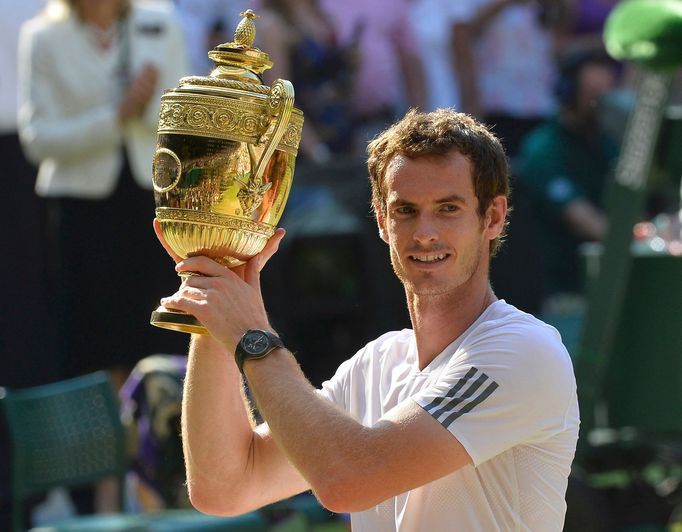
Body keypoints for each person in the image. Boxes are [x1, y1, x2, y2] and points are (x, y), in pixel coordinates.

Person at [155, 108, 579, 530]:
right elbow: (225, 487)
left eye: (448, 208)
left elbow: (350, 481)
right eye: (406, 210)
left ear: (493, 217)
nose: (425, 232)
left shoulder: (523, 350)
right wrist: (216, 294)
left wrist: (253, 338)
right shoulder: (375, 363)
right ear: (381, 220)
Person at [17, 0, 190, 386]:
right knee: (93, 335)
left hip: (152, 202)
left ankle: (161, 436)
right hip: (81, 213)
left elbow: (182, 114)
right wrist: (115, 116)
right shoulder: (42, 37)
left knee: (161, 331)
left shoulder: (162, 22)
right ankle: (107, 439)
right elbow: (38, 141)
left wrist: (141, 108)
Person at [518, 49, 620, 306]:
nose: (602, 105)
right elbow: (584, 221)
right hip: (562, 293)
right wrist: (639, 242)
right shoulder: (544, 148)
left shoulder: (606, 143)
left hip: (608, 283)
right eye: (595, 97)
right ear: (568, 93)